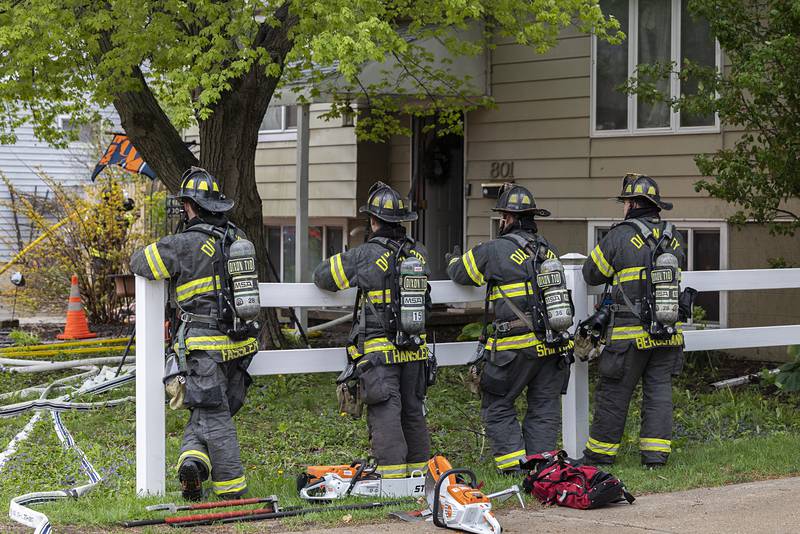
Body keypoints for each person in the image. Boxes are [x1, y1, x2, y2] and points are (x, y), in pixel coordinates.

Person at [131, 167, 259, 500]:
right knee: (208, 408)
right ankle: (194, 462)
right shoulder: (238, 238)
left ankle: (233, 491)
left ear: (190, 206)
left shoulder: (183, 244)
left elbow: (140, 263)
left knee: (213, 413)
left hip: (204, 349)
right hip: (241, 345)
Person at [446, 183, 573, 474]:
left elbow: (460, 272)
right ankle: (541, 469)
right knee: (543, 408)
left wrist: (451, 259)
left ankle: (514, 468)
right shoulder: (548, 250)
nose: (501, 221)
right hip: (552, 346)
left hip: (513, 349)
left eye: (503, 216)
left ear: (509, 218)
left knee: (497, 405)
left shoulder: (495, 250)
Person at [313, 182, 432, 480]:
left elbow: (323, 277)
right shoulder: (418, 253)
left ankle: (392, 481)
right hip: (416, 350)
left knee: (385, 412)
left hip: (380, 355)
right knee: (413, 411)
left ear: (374, 221)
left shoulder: (364, 255)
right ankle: (419, 477)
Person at [582, 173, 686, 468]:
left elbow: (591, 273)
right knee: (659, 394)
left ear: (631, 203)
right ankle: (655, 457)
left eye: (625, 201)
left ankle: (600, 455)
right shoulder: (673, 235)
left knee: (614, 394)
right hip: (667, 333)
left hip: (628, 336)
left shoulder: (619, 235)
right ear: (654, 206)